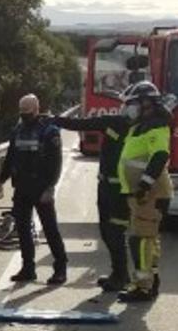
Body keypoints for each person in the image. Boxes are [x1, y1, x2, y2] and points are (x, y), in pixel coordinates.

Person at [47, 102, 132, 292]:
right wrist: (56, 120)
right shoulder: (113, 122)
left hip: (122, 187)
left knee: (115, 231)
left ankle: (122, 276)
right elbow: (83, 124)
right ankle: (118, 273)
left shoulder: (145, 128)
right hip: (105, 184)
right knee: (105, 231)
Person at [0, 94, 67, 284]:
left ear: (36, 109)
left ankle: (60, 269)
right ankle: (28, 268)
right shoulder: (18, 130)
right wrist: (1, 181)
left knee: (50, 229)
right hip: (22, 188)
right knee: (23, 229)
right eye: (22, 113)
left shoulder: (49, 131)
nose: (25, 116)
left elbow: (56, 163)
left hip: (42, 188)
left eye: (28, 112)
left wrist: (50, 188)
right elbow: (11, 157)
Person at [116, 82, 174, 302]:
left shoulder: (157, 127)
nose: (128, 108)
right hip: (139, 194)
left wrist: (144, 186)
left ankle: (143, 287)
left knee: (140, 240)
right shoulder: (139, 126)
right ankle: (152, 280)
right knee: (148, 238)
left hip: (150, 194)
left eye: (131, 104)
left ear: (146, 103)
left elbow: (159, 156)